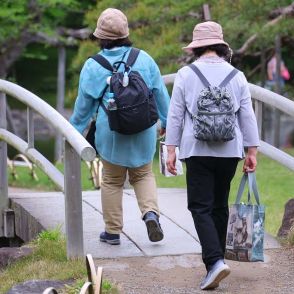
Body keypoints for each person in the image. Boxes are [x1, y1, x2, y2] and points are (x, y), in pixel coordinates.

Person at [165, 21, 260, 290]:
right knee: (219, 205)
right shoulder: (237, 75)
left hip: (196, 149)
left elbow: (175, 114)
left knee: (199, 206)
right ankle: (216, 264)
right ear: (220, 46)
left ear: (197, 47)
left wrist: (170, 148)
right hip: (230, 151)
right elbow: (247, 115)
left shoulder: (185, 74)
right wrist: (251, 149)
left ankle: (215, 262)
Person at [70, 8, 170, 245]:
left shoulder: (93, 65)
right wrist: (165, 122)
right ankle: (150, 214)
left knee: (112, 180)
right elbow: (160, 94)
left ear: (100, 36)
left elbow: (83, 108)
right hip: (144, 129)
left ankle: (113, 232)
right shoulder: (144, 58)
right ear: (125, 33)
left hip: (111, 130)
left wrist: (74, 132)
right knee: (143, 174)